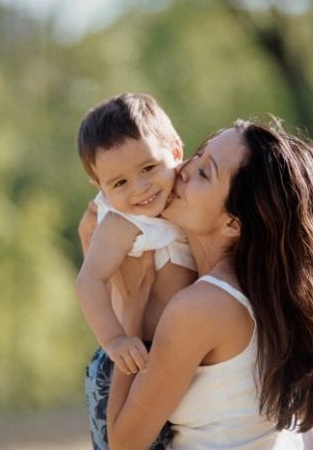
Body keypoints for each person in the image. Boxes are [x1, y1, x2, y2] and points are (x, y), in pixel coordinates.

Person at [92, 120, 313, 450]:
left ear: (233, 223)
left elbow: (123, 443)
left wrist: (132, 302)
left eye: (205, 172)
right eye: (199, 154)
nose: (185, 168)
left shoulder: (202, 307)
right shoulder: (265, 293)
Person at [75, 93, 198, 450]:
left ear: (176, 151)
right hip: (131, 358)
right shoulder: (122, 222)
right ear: (101, 188)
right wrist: (114, 341)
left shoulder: (191, 193)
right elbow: (90, 280)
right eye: (119, 183)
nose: (140, 189)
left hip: (171, 357)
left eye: (148, 169)